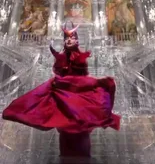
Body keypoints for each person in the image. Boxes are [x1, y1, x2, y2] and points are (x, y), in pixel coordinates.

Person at [2, 22, 120, 158]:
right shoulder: (62, 56)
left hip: (79, 96)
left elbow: (83, 74)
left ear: (76, 39)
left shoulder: (80, 56)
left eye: (71, 37)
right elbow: (59, 71)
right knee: (65, 127)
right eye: (66, 38)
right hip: (64, 96)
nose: (68, 40)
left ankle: (80, 156)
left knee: (80, 128)